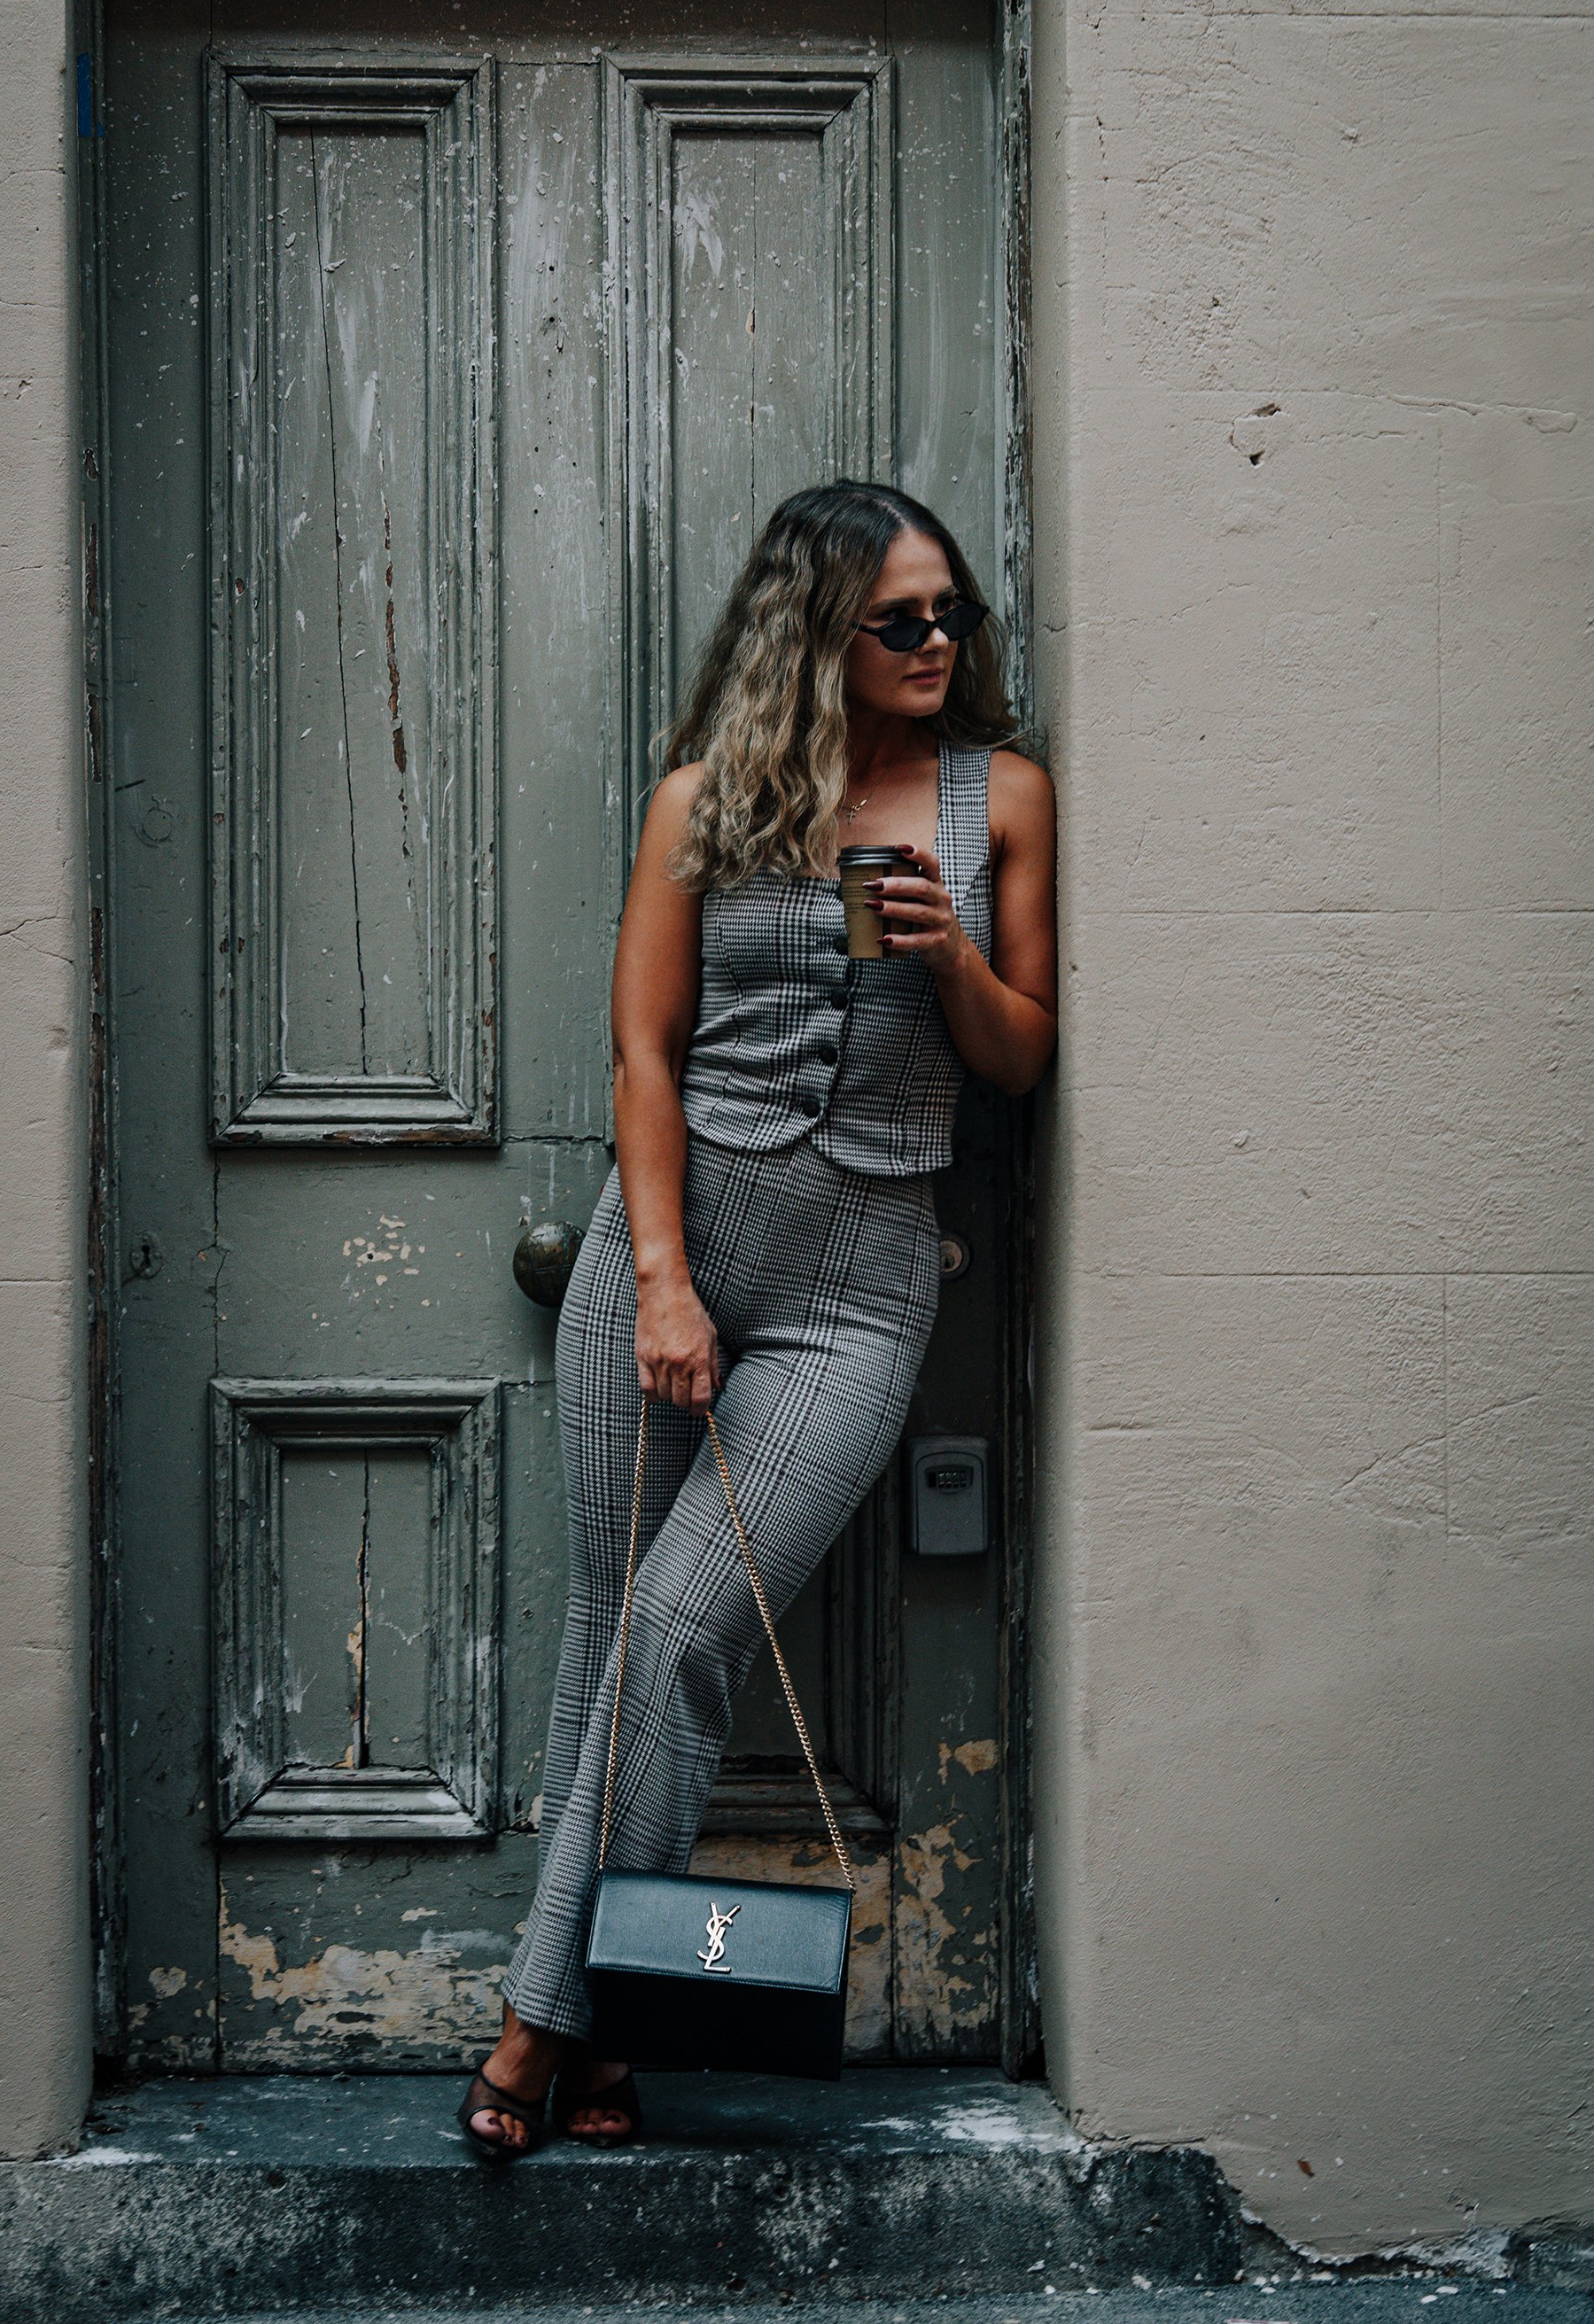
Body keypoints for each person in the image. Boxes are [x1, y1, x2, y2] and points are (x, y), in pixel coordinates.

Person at [457, 479, 1057, 2154]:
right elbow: (643, 1055)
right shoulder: (703, 801)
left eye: (953, 614)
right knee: (609, 1635)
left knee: (677, 1629)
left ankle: (537, 2025)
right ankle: (608, 2046)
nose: (937, 641)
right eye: (899, 620)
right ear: (815, 632)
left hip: (859, 1285)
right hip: (672, 1251)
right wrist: (660, 1279)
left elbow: (1020, 1058)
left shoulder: (1001, 799)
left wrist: (946, 959)